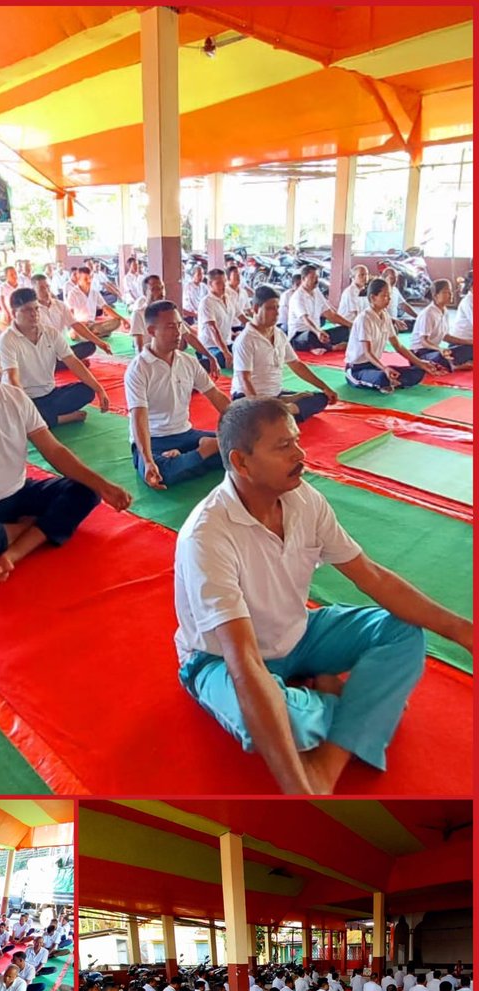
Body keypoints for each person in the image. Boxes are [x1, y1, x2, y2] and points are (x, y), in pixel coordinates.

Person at [174, 397, 471, 795]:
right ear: (241, 463)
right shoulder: (206, 536)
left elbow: (372, 576)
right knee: (281, 724)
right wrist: (298, 790)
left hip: (299, 632)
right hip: (219, 659)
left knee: (406, 632)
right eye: (283, 447)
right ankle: (363, 712)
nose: (300, 454)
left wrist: (464, 631)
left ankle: (328, 759)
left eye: (296, 441)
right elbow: (242, 660)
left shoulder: (303, 500)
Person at [0, 330, 131, 582]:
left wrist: (103, 485)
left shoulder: (15, 397)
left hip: (17, 493)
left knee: (87, 490)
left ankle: (15, 550)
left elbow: (53, 449)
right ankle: (27, 527)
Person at [126, 300, 231, 490]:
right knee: (160, 474)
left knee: (242, 447)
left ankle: (194, 456)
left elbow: (215, 396)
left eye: (179, 325)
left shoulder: (189, 362)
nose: (178, 332)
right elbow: (138, 417)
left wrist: (245, 425)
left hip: (186, 434)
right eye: (170, 327)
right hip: (153, 441)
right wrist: (148, 460)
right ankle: (204, 452)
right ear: (151, 331)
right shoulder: (138, 369)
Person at [0, 288, 111, 427]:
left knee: (86, 391)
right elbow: (12, 379)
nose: (34, 314)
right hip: (23, 398)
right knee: (14, 414)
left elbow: (73, 362)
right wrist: (25, 407)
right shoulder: (7, 340)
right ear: (15, 313)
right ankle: (60, 419)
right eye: (27, 310)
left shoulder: (50, 333)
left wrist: (99, 389)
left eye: (36, 309)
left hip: (50, 394)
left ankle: (41, 420)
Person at [231, 285, 337, 418]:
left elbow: (297, 365)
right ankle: (280, 410)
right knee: (257, 415)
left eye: (277, 308)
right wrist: (258, 410)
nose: (276, 313)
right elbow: (244, 379)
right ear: (256, 309)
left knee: (320, 398)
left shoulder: (279, 334)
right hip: (248, 398)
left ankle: (283, 409)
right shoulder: (246, 339)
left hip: (276, 394)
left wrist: (325, 388)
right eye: (270, 308)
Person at [344, 279, 436, 394]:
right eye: (385, 296)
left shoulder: (385, 315)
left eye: (389, 296)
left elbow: (398, 346)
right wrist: (384, 368)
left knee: (418, 371)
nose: (389, 299)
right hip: (358, 368)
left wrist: (420, 363)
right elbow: (367, 352)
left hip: (375, 366)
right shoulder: (364, 318)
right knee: (383, 377)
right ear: (373, 298)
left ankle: (390, 381)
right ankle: (386, 380)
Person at [31, 273, 106, 359]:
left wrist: (99, 342)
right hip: (44, 353)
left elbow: (75, 325)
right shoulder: (32, 310)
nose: (46, 291)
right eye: (41, 288)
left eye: (47, 287)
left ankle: (66, 362)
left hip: (62, 349)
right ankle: (68, 362)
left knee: (90, 346)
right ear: (34, 291)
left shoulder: (60, 305)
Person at [287, 265, 352, 350]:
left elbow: (330, 314)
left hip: (318, 333)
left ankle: (323, 345)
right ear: (303, 279)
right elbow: (306, 320)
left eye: (318, 277)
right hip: (300, 335)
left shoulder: (317, 292)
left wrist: (351, 325)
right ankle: (332, 347)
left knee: (345, 330)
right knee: (310, 336)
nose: (317, 281)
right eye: (313, 278)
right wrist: (318, 332)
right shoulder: (297, 297)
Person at [65, 267, 122, 339]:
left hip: (93, 325)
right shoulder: (72, 293)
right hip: (80, 325)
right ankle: (95, 334)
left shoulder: (94, 292)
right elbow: (70, 313)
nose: (89, 281)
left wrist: (123, 319)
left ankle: (91, 335)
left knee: (116, 322)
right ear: (79, 280)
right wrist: (79, 324)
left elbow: (106, 307)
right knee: (74, 334)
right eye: (85, 279)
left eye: (90, 278)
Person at [196, 268, 236, 370]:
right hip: (210, 347)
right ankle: (205, 360)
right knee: (221, 359)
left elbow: (242, 316)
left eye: (224, 282)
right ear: (210, 284)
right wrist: (226, 353)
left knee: (247, 353)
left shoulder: (228, 298)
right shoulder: (206, 302)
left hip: (228, 343)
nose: (223, 286)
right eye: (219, 283)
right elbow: (213, 329)